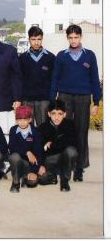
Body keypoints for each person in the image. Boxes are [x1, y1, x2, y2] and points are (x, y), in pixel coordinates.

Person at [50, 24, 100, 182]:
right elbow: (55, 79)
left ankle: (79, 168)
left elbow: (94, 79)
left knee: (81, 132)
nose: (73, 40)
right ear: (67, 38)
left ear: (80, 37)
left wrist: (96, 102)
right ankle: (65, 164)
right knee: (63, 130)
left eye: (76, 37)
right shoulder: (61, 56)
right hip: (64, 97)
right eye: (70, 37)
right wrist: (53, 102)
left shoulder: (89, 56)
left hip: (83, 97)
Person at [37, 100, 77, 191]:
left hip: (66, 158)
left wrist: (51, 144)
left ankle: (64, 180)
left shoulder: (70, 125)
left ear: (65, 114)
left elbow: (72, 143)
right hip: (51, 160)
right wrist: (40, 165)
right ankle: (52, 177)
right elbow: (39, 148)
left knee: (71, 151)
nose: (56, 117)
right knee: (40, 180)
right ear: (48, 114)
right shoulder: (43, 127)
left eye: (60, 114)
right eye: (53, 113)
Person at [19, 26, 56, 127]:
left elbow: (54, 79)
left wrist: (52, 98)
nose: (36, 42)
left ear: (42, 39)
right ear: (29, 39)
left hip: (44, 99)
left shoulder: (50, 57)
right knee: (27, 128)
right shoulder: (22, 58)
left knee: (44, 127)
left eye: (39, 39)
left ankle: (43, 143)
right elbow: (19, 79)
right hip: (27, 99)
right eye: (33, 39)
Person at [8, 105, 43, 193]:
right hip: (17, 162)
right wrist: (27, 152)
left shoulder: (35, 131)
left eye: (25, 119)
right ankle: (15, 182)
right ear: (16, 120)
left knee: (32, 182)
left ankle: (25, 176)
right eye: (19, 119)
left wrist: (34, 171)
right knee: (14, 156)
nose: (22, 122)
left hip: (29, 164)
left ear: (30, 119)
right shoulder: (13, 130)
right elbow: (12, 147)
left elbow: (39, 152)